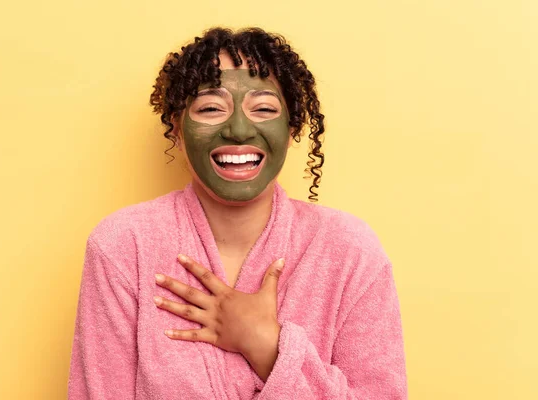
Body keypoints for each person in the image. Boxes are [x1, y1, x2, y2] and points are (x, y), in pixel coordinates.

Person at [68, 27, 407, 399]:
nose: (239, 129)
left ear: (291, 128)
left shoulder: (350, 251)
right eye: (211, 108)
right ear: (177, 129)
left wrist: (266, 346)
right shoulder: (123, 246)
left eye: (263, 108)